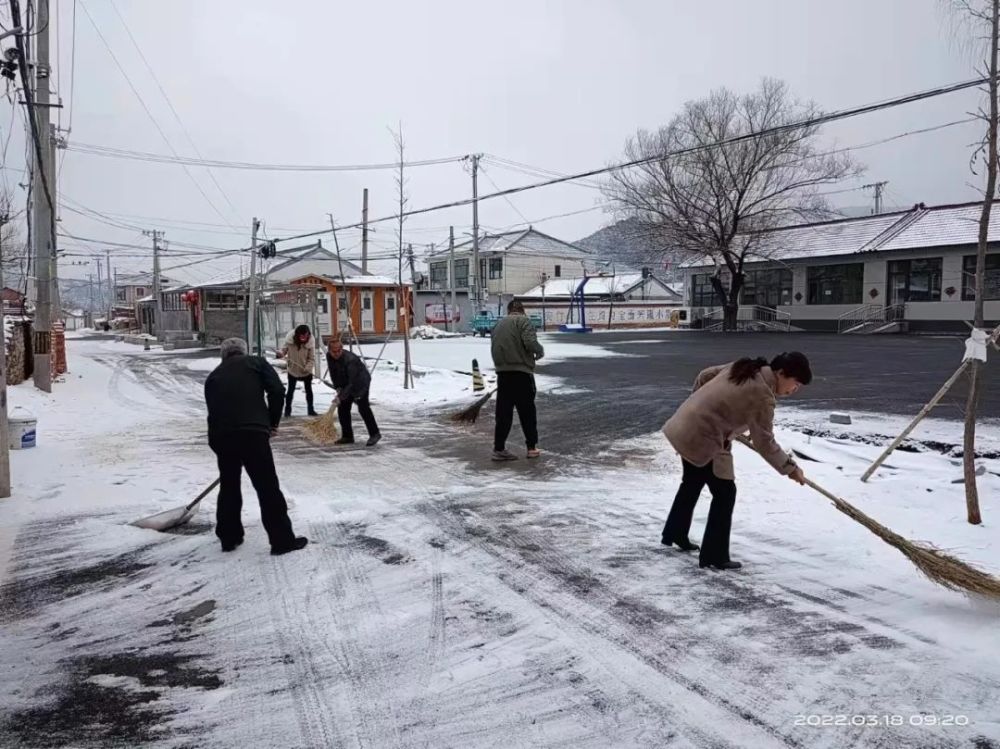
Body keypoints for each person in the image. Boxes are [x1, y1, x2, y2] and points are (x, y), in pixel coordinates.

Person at [660, 352, 812, 571]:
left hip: (684, 425)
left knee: (692, 482)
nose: (794, 389)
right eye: (795, 382)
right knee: (725, 493)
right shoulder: (763, 396)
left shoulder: (746, 367)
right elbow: (765, 442)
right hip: (704, 438)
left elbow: (705, 375)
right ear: (781, 373)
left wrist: (700, 405)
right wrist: (791, 468)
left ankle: (675, 533)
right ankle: (714, 556)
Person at [204, 337, 308, 556]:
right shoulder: (256, 363)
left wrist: (219, 447)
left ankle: (229, 538)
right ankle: (281, 541)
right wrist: (272, 423)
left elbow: (212, 414)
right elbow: (278, 391)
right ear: (244, 351)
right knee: (267, 486)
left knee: (229, 486)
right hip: (253, 434)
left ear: (223, 355)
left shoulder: (213, 377)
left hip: (222, 437)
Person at [490, 299, 544, 461]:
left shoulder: (499, 324)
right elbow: (530, 342)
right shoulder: (523, 321)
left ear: (508, 310)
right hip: (521, 373)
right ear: (522, 310)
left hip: (503, 374)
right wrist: (539, 351)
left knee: (503, 413)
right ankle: (531, 447)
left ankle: (499, 448)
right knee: (527, 412)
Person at [326, 336, 381, 447]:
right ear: (329, 351)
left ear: (342, 348)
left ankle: (375, 433)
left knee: (363, 407)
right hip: (346, 382)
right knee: (343, 409)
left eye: (339, 350)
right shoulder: (329, 357)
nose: (336, 353)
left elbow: (352, 382)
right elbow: (333, 373)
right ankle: (347, 436)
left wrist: (341, 396)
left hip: (360, 383)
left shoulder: (350, 360)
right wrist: (338, 387)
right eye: (334, 351)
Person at [278, 324, 318, 417]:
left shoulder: (310, 343)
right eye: (301, 336)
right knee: (290, 391)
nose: (304, 338)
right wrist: (281, 353)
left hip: (306, 371)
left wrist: (308, 368)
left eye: (305, 336)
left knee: (309, 391)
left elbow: (311, 358)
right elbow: (284, 350)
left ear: (308, 335)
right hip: (293, 370)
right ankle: (287, 411)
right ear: (297, 335)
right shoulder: (289, 340)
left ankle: (310, 410)